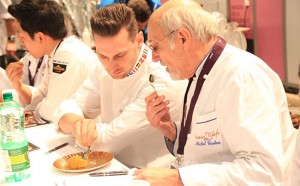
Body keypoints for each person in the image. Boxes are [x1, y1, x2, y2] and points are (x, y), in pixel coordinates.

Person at [133, 0, 298, 185]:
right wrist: (172, 132)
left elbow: (262, 171)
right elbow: (211, 144)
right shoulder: (203, 71)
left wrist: (180, 178)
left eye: (155, 47)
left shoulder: (243, 78)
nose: (153, 58)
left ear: (183, 38)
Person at [54, 3, 185, 168]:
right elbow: (68, 106)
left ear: (139, 40)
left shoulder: (159, 82)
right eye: (102, 55)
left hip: (149, 173)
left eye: (119, 55)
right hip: (112, 165)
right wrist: (77, 124)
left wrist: (79, 128)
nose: (111, 65)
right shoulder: (103, 68)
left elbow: (105, 142)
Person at [5, 0, 98, 122]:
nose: (20, 42)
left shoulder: (67, 55)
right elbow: (41, 95)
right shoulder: (57, 51)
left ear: (40, 37)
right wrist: (18, 85)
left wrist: (25, 114)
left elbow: (53, 110)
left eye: (22, 36)